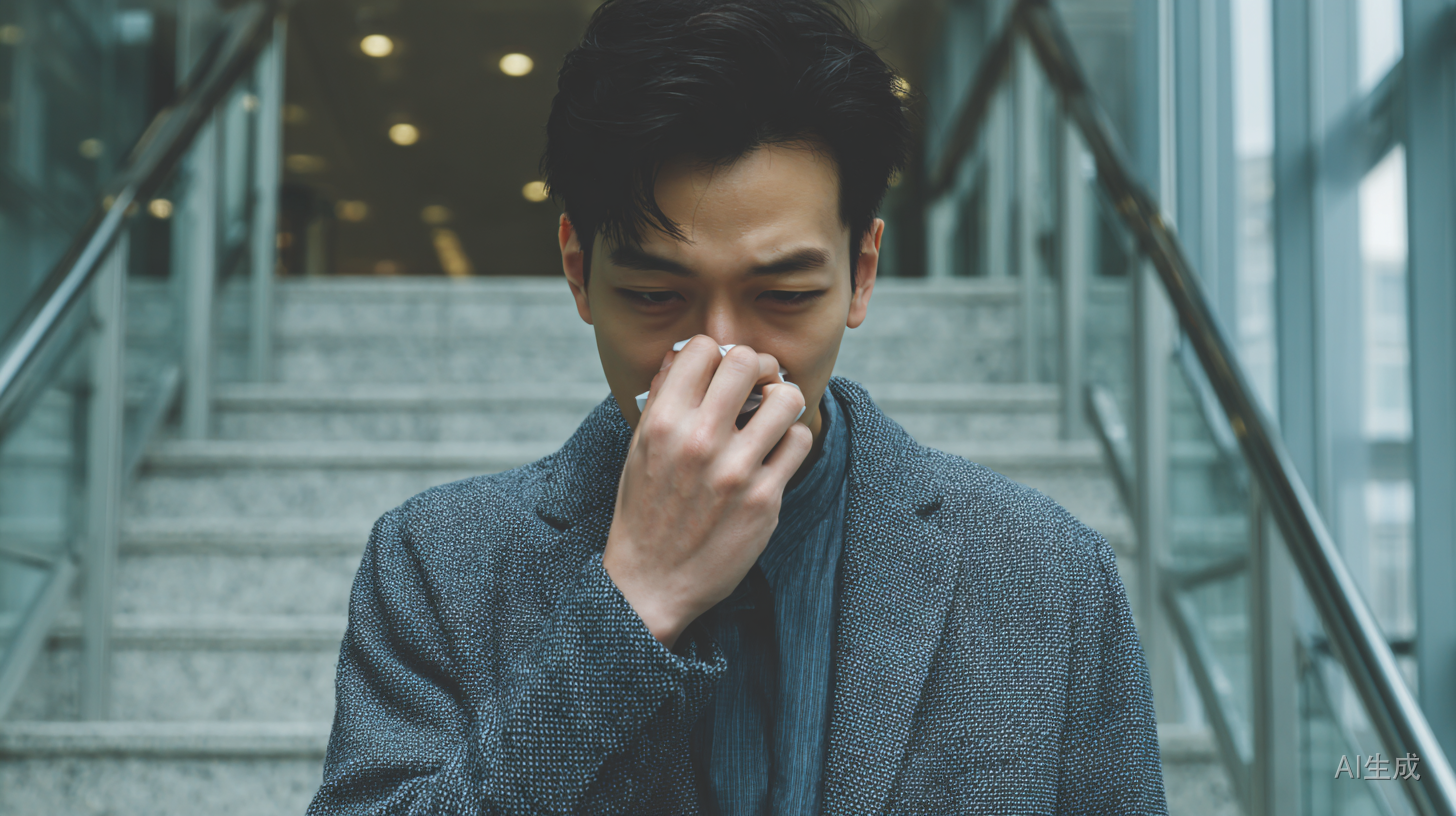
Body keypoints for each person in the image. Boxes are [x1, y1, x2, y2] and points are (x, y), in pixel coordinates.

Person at [308, 1, 1167, 813]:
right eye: (655, 295)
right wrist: (632, 603)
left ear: (862, 273)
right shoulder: (435, 563)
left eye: (784, 295)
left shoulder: (1048, 575)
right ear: (578, 272)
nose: (723, 355)